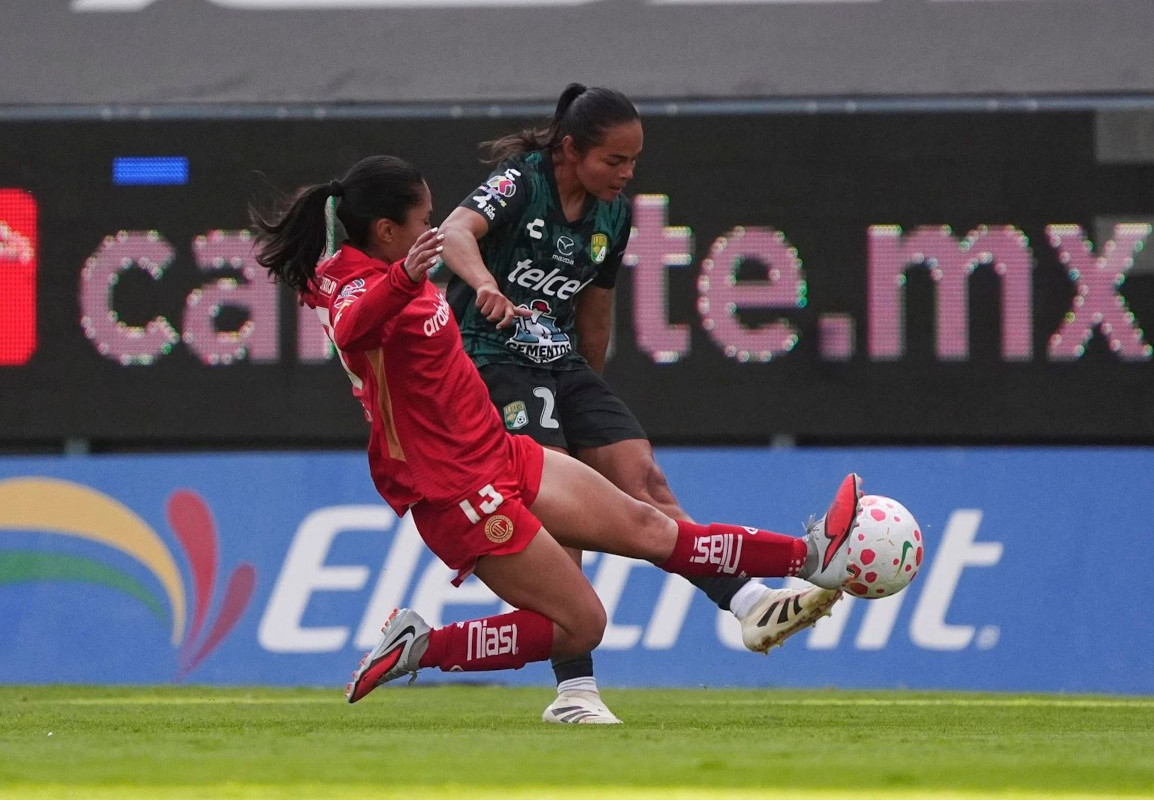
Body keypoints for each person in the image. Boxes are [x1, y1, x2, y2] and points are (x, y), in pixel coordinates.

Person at [250, 155, 864, 710]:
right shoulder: (366, 289)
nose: (433, 229)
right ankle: (424, 647)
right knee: (582, 624)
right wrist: (405, 281)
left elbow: (324, 280)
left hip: (500, 452)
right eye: (425, 219)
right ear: (387, 232)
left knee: (652, 527)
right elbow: (352, 325)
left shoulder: (349, 269)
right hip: (456, 491)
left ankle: (811, 556)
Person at [438, 83, 842, 724]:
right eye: (614, 161)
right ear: (571, 150)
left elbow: (596, 312)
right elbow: (453, 232)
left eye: (633, 161)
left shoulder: (613, 215)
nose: (626, 175)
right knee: (558, 512)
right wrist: (485, 283)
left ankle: (749, 607)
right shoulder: (520, 182)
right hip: (491, 361)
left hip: (562, 366)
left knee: (645, 482)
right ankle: (574, 692)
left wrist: (586, 393)